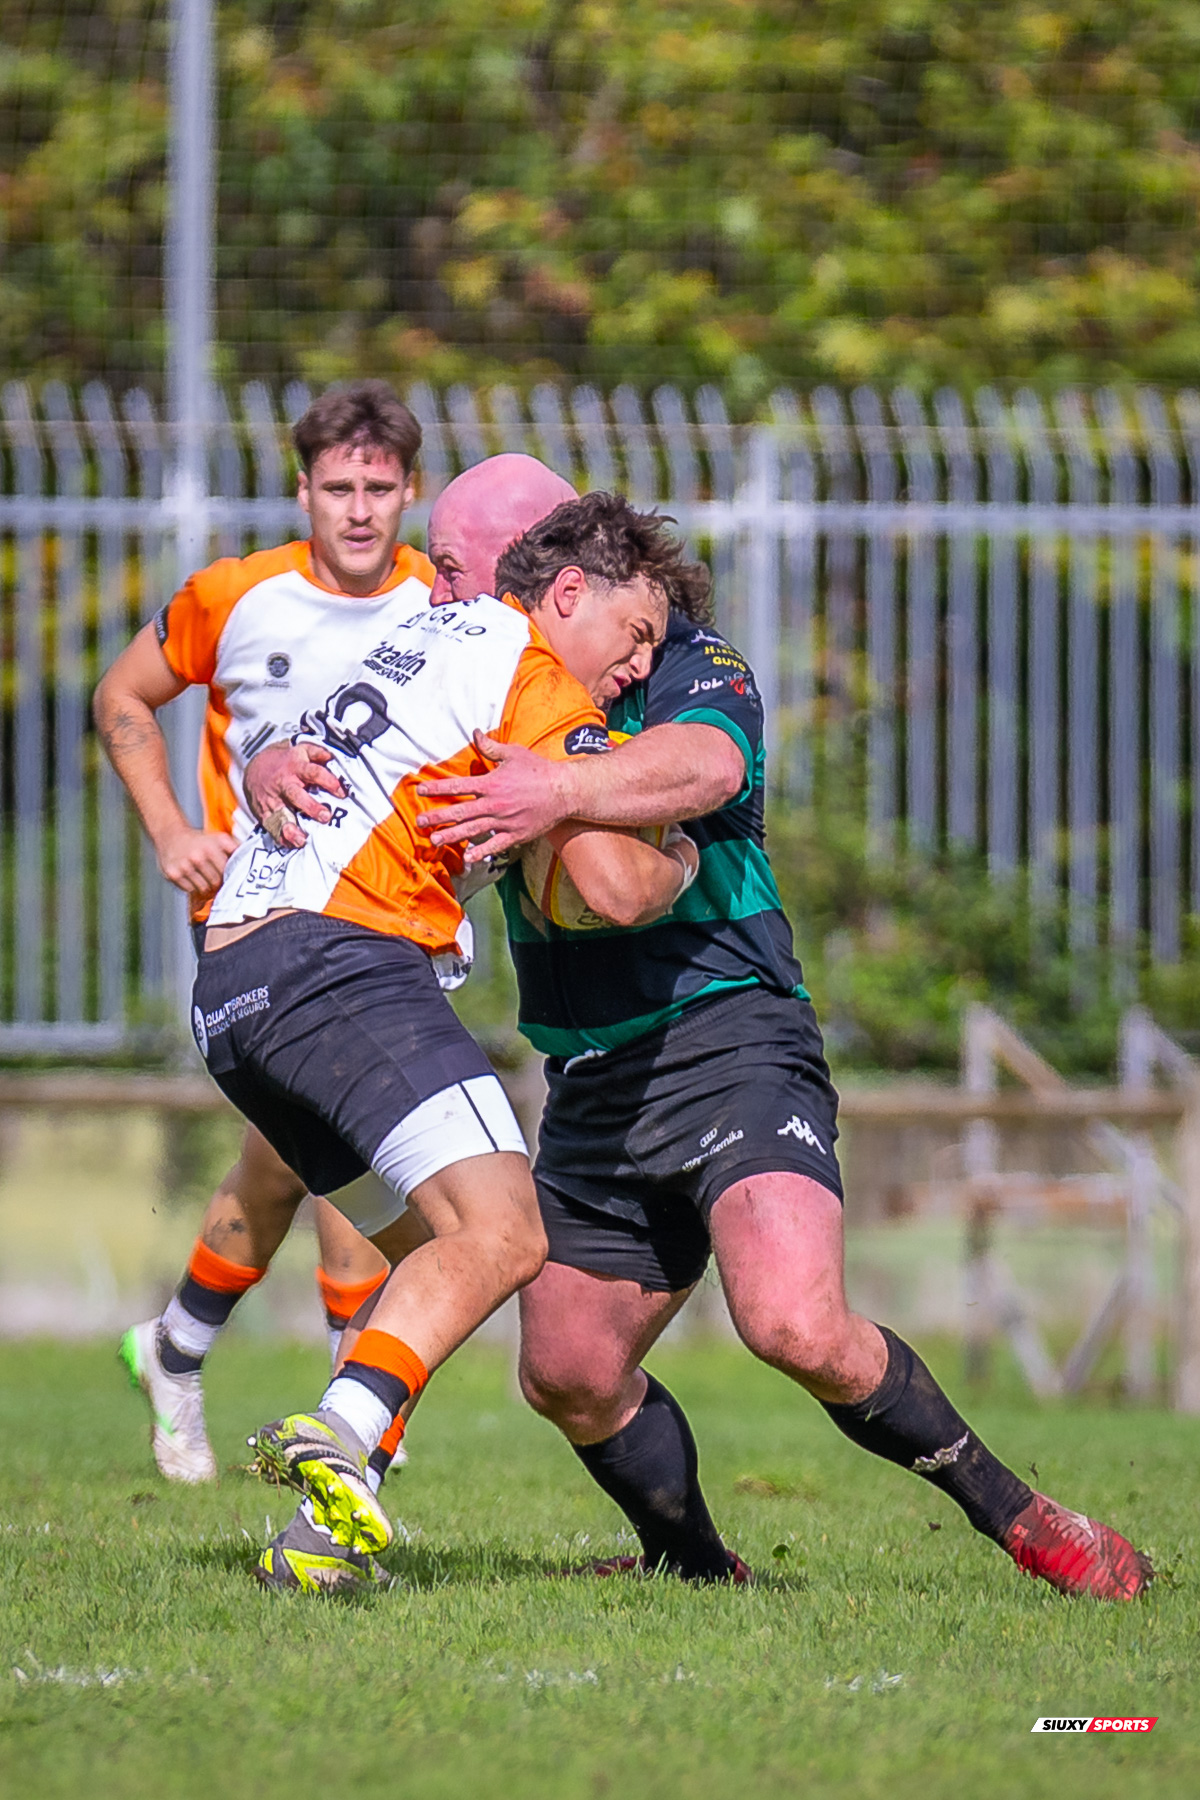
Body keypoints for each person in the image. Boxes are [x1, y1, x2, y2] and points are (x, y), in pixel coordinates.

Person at [406, 534, 1153, 1605]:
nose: (437, 584)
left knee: (796, 1325)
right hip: (593, 1077)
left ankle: (1027, 1518)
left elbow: (709, 766)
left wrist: (557, 793)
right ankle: (699, 1568)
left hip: (728, 1036)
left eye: (451, 561)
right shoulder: (467, 672)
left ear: (546, 573)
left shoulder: (676, 659)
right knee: (566, 1370)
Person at [190, 494, 705, 1592]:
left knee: (433, 1254)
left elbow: (304, 737)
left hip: (233, 989)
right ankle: (337, 1429)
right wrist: (685, 862)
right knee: (507, 1232)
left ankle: (319, 1541)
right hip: (335, 963)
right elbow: (614, 888)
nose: (637, 666)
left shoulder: (421, 629)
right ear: (572, 592)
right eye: (638, 634)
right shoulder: (534, 673)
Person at [93, 380, 431, 1482]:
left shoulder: (442, 602)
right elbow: (122, 698)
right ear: (304, 491)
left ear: (411, 493)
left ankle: (176, 1346)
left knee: (292, 1165)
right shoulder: (236, 596)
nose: (360, 508)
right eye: (339, 486)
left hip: (388, 923)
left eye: (380, 486)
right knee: (358, 1153)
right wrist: (169, 831)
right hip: (256, 927)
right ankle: (360, 1441)